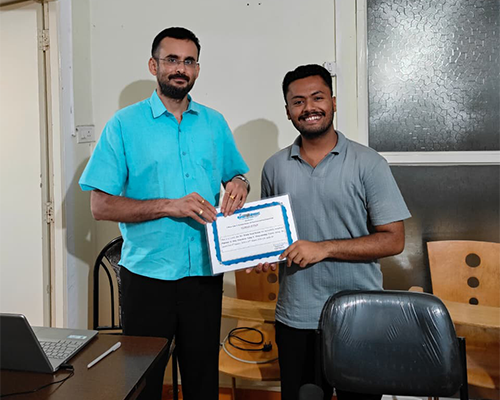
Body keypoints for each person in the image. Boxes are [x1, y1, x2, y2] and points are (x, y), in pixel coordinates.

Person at [79, 27, 250, 400]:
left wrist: (240, 182)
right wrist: (170, 205)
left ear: (197, 69)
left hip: (205, 273)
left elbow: (235, 175)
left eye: (189, 61)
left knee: (203, 382)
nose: (180, 68)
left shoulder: (214, 123)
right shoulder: (123, 125)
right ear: (153, 65)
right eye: (171, 59)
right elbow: (100, 205)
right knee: (144, 384)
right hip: (147, 278)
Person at [251, 64, 411, 400]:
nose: (309, 107)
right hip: (296, 317)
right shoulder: (274, 167)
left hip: (360, 315)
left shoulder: (369, 163)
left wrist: (323, 248)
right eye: (298, 101)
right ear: (288, 111)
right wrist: (262, 254)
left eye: (318, 97)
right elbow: (274, 237)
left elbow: (394, 239)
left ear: (333, 102)